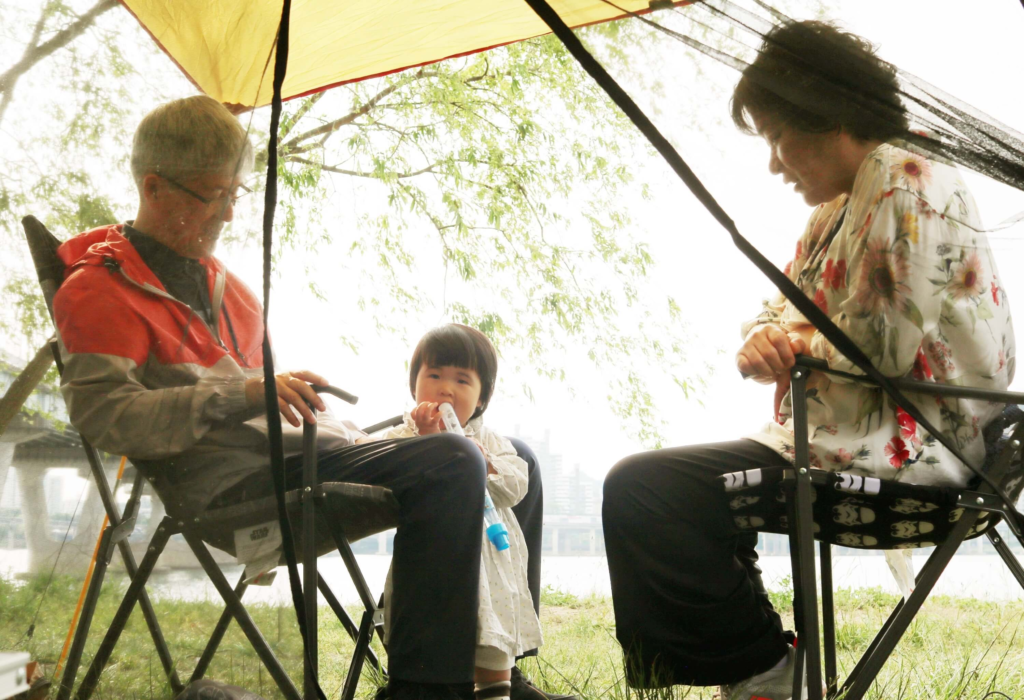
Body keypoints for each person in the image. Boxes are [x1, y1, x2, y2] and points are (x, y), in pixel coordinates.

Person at [52, 95, 562, 700]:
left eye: (235, 195)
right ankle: (424, 692)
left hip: (307, 454)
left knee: (517, 459)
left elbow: (251, 395)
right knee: (454, 459)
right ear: (153, 187)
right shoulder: (99, 290)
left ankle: (500, 666)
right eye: (213, 196)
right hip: (240, 488)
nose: (230, 214)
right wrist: (244, 394)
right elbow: (106, 417)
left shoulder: (227, 289)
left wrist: (278, 396)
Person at [601, 20, 1014, 700]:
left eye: (775, 137)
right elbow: (783, 308)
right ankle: (758, 671)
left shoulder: (904, 176)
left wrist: (792, 345)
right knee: (659, 488)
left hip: (912, 454)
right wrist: (763, 339)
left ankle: (765, 674)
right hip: (838, 440)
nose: (774, 163)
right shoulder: (835, 211)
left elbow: (881, 345)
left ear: (827, 114)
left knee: (649, 490)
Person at [366, 324, 542, 700]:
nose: (446, 389)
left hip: (494, 569)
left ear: (481, 399)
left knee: (493, 646)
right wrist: (424, 443)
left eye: (462, 380)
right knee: (438, 640)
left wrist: (484, 464)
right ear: (414, 385)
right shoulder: (405, 435)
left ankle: (500, 689)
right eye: (434, 375)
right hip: (432, 567)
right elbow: (382, 478)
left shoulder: (489, 440)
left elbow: (516, 485)